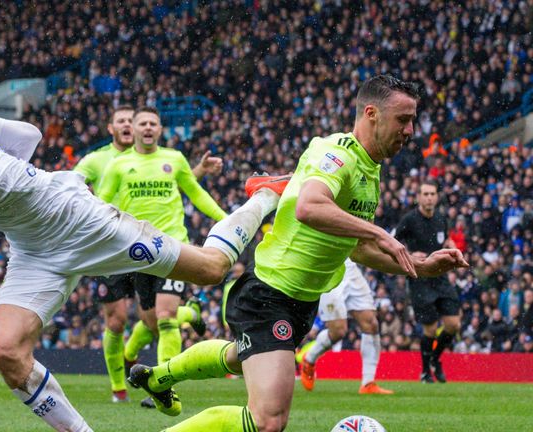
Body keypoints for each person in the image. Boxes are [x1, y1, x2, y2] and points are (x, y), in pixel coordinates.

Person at [0, 89, 287, 432]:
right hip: (33, 246)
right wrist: (16, 186)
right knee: (5, 352)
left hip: (81, 223)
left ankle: (265, 194)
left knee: (210, 269)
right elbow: (28, 137)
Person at [128, 75, 468, 431]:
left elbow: (360, 249)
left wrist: (421, 265)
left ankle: (159, 376)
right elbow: (309, 206)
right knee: (267, 421)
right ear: (371, 113)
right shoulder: (337, 153)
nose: (411, 130)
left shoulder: (370, 169)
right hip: (269, 295)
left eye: (413, 119)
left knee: (237, 354)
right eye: (403, 119)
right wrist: (381, 232)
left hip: (302, 301)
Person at [73, 105, 221, 403]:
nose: (141, 127)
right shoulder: (108, 162)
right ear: (113, 127)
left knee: (165, 318)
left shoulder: (173, 158)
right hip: (127, 248)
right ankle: (189, 314)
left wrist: (225, 216)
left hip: (172, 246)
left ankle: (165, 384)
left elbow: (185, 188)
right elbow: (89, 196)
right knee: (140, 322)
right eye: (132, 122)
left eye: (150, 123)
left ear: (159, 128)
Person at [394, 180, 460, 383]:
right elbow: (394, 242)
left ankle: (435, 359)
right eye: (426, 194)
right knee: (430, 328)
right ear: (419, 197)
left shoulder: (441, 219)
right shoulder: (409, 220)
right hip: (420, 277)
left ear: (437, 197)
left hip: (440, 277)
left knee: (453, 324)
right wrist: (411, 254)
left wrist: (450, 245)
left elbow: (445, 239)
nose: (429, 197)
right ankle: (425, 372)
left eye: (432, 194)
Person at [297, 258, 394, 395]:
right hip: (326, 267)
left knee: (371, 323)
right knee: (339, 331)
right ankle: (310, 359)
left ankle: (368, 383)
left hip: (348, 265)